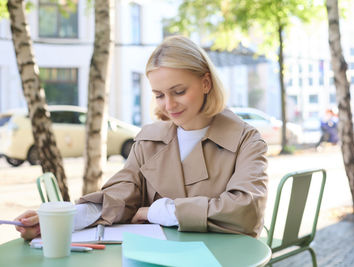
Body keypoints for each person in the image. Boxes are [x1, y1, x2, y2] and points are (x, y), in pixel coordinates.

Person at [15, 35, 268, 240]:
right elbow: (120, 195)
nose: (169, 105)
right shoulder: (148, 139)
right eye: (159, 95)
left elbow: (245, 210)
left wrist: (160, 211)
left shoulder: (247, 140)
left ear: (205, 83)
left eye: (178, 91)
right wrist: (60, 220)